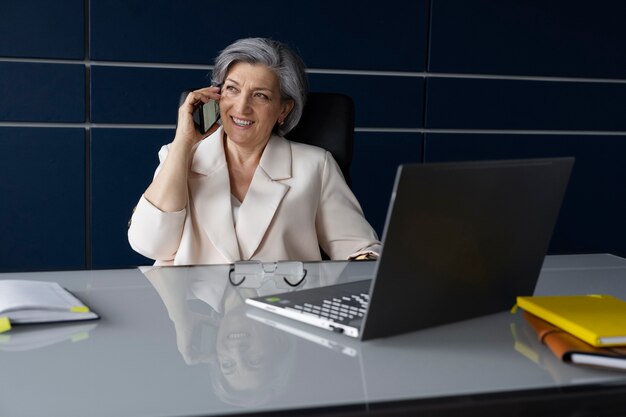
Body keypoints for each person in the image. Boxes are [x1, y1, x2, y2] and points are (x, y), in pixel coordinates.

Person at [128, 37, 380, 266]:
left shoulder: (315, 166)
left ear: (283, 110)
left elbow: (361, 249)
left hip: (282, 309)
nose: (242, 107)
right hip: (192, 312)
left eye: (260, 95)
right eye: (232, 89)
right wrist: (183, 142)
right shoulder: (179, 156)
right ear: (216, 96)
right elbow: (149, 245)